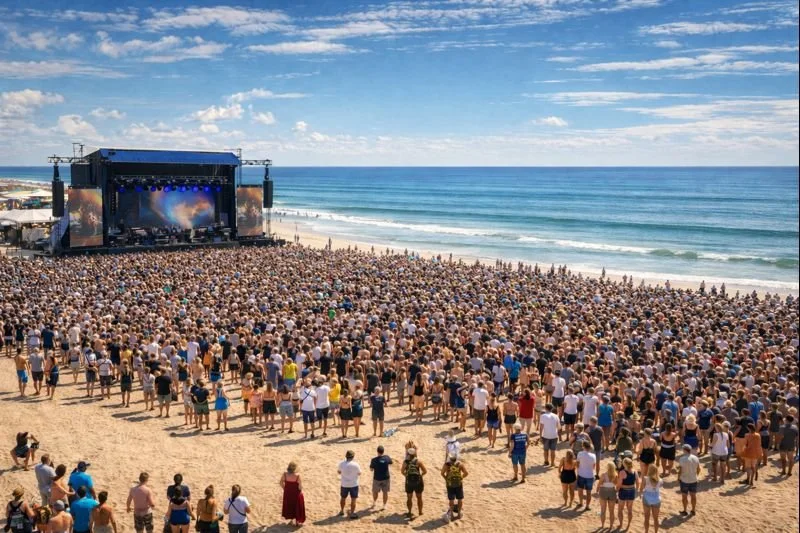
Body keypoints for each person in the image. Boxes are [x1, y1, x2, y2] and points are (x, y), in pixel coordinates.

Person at [441, 453, 467, 522]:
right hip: (459, 484)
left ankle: (452, 515)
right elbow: (466, 473)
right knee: (460, 499)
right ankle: (458, 514)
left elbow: (442, 473)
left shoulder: (447, 465)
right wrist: (461, 478)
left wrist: (446, 479)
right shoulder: (460, 464)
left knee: (451, 500)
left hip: (450, 485)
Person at [401, 447, 426, 519]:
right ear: (415, 453)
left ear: (408, 454)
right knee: (419, 497)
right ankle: (420, 512)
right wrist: (420, 476)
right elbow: (425, 471)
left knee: (409, 497)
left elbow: (402, 471)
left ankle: (409, 512)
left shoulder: (405, 462)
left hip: (409, 482)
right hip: (418, 482)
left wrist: (406, 475)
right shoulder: (419, 462)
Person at [676, 444, 700, 515]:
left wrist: (678, 478)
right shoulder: (696, 458)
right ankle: (693, 510)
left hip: (684, 480)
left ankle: (685, 510)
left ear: (685, 450)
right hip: (693, 480)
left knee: (684, 496)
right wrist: (695, 475)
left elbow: (680, 470)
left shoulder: (682, 459)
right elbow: (698, 469)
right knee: (693, 496)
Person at [338, 450, 361, 519]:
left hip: (344, 484)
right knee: (353, 499)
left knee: (343, 498)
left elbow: (339, 472)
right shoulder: (356, 464)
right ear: (353, 457)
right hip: (353, 484)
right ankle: (352, 513)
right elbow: (359, 473)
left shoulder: (341, 464)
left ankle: (342, 511)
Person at [615, 457, 637, 530]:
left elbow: (619, 484)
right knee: (630, 509)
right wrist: (634, 489)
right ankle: (628, 525)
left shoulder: (622, 472)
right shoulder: (635, 471)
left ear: (624, 464)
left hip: (623, 491)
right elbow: (638, 482)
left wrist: (616, 490)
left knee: (620, 509)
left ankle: (621, 524)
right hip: (631, 491)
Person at [642, 465, 663, 533]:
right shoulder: (660, 480)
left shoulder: (645, 478)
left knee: (646, 518)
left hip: (647, 498)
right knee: (656, 519)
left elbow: (642, 488)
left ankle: (646, 531)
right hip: (656, 499)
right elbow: (659, 487)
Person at [576, 440, 596, 510]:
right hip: (590, 475)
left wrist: (578, 472)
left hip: (581, 474)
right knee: (589, 492)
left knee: (580, 490)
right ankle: (587, 506)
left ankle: (581, 502)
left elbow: (577, 464)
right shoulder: (593, 456)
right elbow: (593, 467)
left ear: (583, 446)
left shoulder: (580, 454)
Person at [597, 462, 617, 529]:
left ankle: (602, 525)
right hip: (612, 492)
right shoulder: (616, 475)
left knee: (603, 510)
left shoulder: (603, 475)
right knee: (611, 511)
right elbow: (616, 485)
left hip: (603, 491)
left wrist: (597, 490)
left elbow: (599, 484)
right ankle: (611, 526)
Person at [742, 423, 762, 487]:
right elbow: (759, 445)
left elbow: (745, 444)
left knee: (748, 467)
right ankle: (751, 481)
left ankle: (748, 479)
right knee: (753, 467)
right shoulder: (758, 435)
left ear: (749, 428)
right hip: (755, 453)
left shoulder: (747, 435)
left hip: (748, 452)